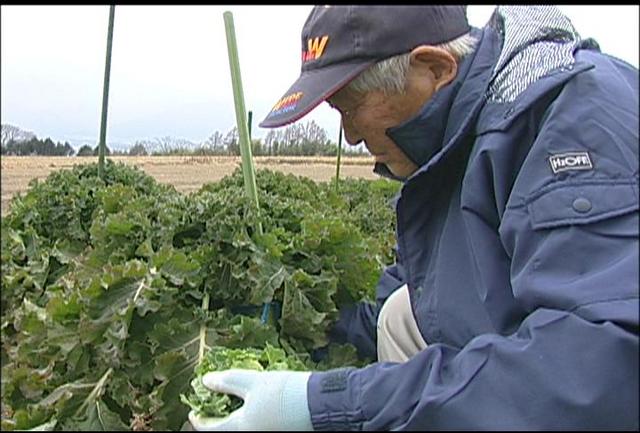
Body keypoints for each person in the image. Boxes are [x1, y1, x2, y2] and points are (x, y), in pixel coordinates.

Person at [189, 5, 639, 430]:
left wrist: (323, 405)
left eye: (351, 105)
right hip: (534, 354)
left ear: (435, 69)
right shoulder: (452, 136)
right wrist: (280, 320)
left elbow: (601, 368)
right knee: (401, 311)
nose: (348, 135)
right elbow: (415, 304)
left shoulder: (572, 121)